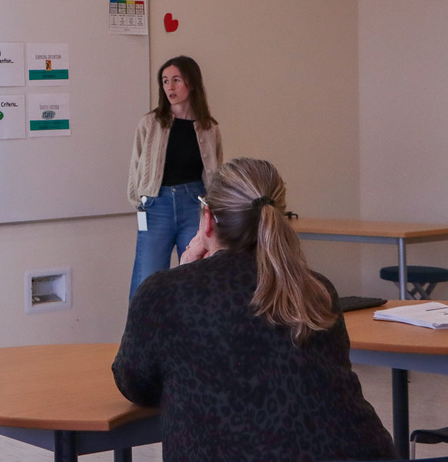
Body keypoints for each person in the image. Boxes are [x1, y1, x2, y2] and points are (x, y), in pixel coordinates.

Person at [113, 158, 396, 462]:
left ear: (207, 219)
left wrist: (183, 274)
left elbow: (135, 384)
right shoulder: (316, 289)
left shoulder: (164, 293)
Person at [126, 54, 222, 297]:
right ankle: (142, 334)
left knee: (196, 279)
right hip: (156, 206)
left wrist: (215, 208)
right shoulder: (149, 123)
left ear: (192, 82)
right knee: (147, 280)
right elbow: (135, 167)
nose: (170, 86)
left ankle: (192, 334)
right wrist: (139, 202)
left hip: (194, 206)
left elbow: (216, 171)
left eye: (176, 79)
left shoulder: (209, 128)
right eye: (165, 80)